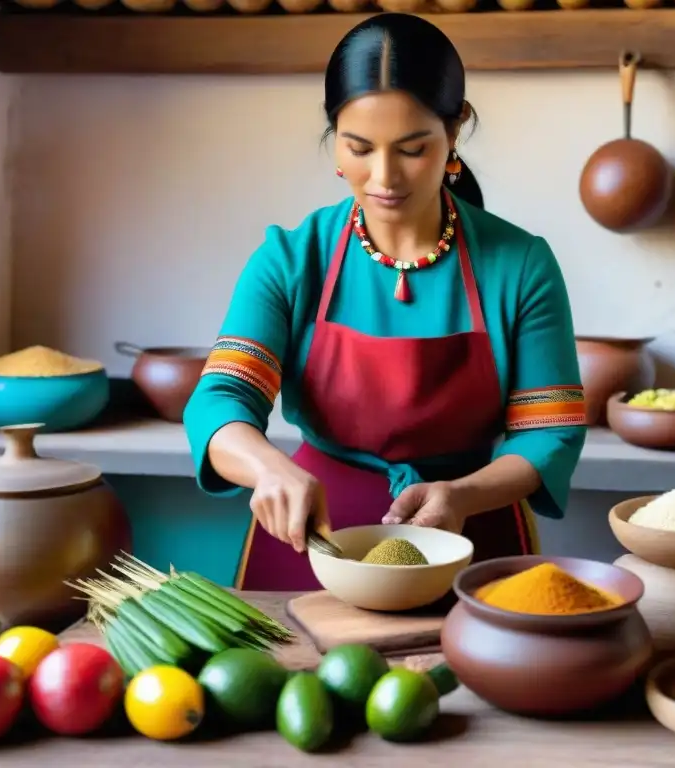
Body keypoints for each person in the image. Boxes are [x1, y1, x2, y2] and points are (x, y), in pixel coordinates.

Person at [182, 13, 585, 591]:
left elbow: (550, 431)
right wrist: (269, 469)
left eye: (413, 148)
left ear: (455, 131)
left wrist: (463, 495)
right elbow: (219, 401)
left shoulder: (520, 265)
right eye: (360, 147)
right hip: (312, 540)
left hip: (470, 536)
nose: (385, 176)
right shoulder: (292, 260)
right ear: (335, 143)